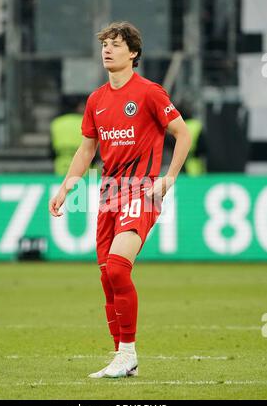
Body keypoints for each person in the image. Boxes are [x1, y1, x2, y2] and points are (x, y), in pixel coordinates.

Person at [49, 21, 191, 378]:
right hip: (109, 195)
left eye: (116, 44)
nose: (107, 50)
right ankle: (123, 359)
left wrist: (169, 177)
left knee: (117, 268)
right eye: (104, 45)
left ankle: (127, 353)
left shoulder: (150, 93)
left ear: (134, 53)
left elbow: (182, 132)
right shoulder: (96, 100)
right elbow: (87, 148)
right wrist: (67, 185)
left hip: (141, 192)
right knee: (107, 278)